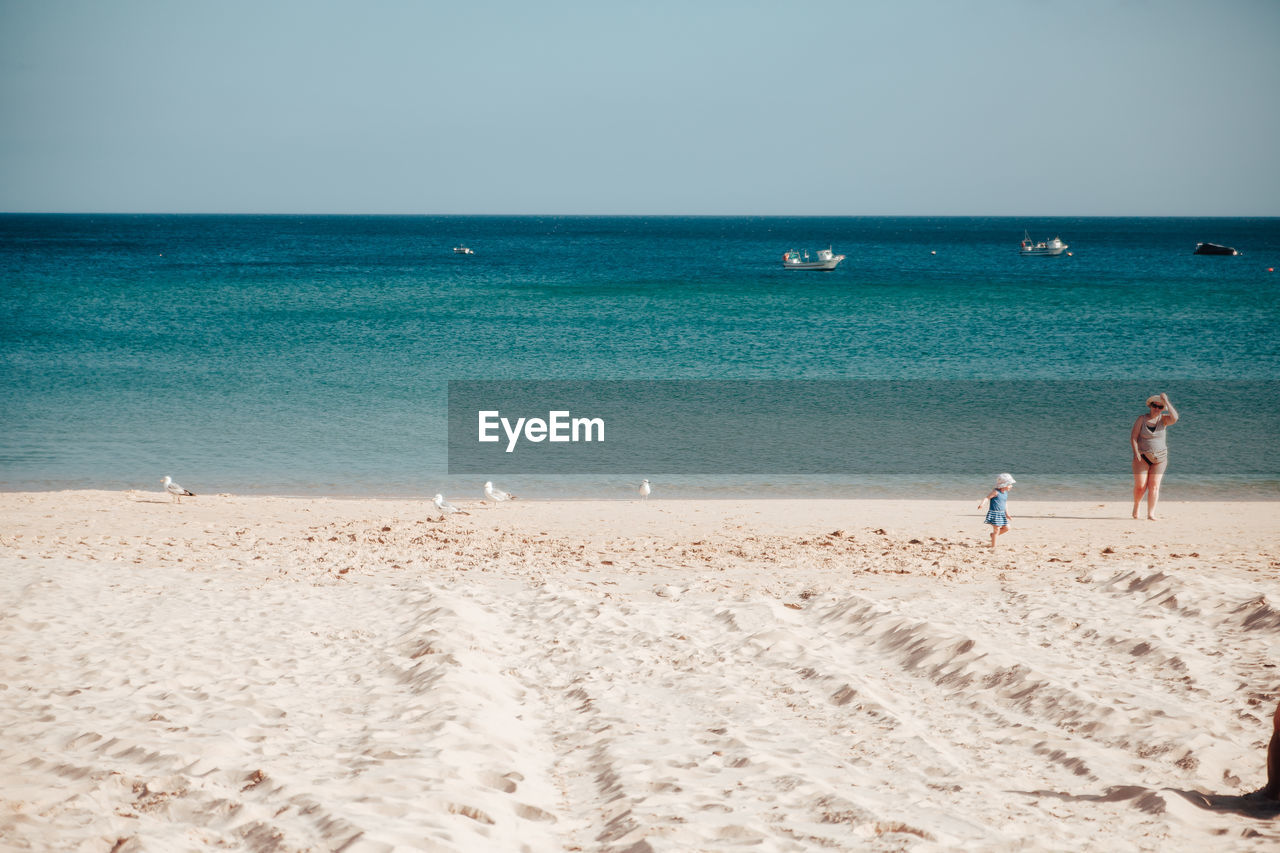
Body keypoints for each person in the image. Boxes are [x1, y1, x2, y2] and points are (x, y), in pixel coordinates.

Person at [1130, 393, 1179, 520]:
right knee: (1141, 486)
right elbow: (1134, 437)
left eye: (1159, 406)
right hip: (1142, 457)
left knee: (1154, 486)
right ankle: (1136, 506)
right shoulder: (1142, 419)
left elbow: (1175, 418)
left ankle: (1151, 513)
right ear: (1150, 406)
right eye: (1154, 405)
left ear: (1162, 408)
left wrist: (1167, 401)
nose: (1156, 408)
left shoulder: (1164, 419)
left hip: (1160, 459)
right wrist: (1136, 453)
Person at [978, 473, 1015, 549]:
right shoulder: (996, 492)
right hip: (994, 513)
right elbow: (987, 498)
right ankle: (993, 546)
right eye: (1010, 484)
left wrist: (1007, 514)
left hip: (1002, 514)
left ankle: (993, 536)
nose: (1011, 486)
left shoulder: (1005, 493)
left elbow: (1005, 504)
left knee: (1007, 528)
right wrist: (982, 504)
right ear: (1004, 485)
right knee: (996, 529)